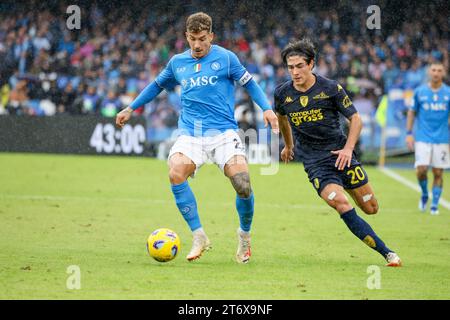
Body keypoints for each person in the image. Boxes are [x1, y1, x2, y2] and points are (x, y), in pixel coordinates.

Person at [116, 12, 279, 263]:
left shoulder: (226, 58)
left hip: (224, 132)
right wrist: (130, 107)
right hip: (191, 133)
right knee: (175, 173)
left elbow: (250, 84)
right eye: (193, 39)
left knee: (243, 183)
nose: (197, 44)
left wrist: (266, 108)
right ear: (186, 37)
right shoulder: (177, 63)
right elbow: (156, 86)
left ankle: (244, 236)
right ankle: (199, 235)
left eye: (202, 38)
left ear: (211, 36)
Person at [274, 39, 401, 267]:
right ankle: (388, 254)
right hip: (315, 163)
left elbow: (356, 119)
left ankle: (349, 188)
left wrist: (348, 149)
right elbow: (282, 118)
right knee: (340, 203)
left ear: (311, 63)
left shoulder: (330, 88)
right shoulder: (283, 94)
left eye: (300, 65)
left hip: (342, 155)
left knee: (371, 209)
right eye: (290, 67)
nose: (295, 72)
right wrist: (289, 145)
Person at [406, 61, 450, 215]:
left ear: (443, 73)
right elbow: (411, 112)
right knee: (421, 169)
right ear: (429, 73)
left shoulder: (448, 93)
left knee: (438, 172)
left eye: (439, 70)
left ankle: (435, 205)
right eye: (434, 70)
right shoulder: (420, 92)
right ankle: (425, 193)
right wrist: (409, 133)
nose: (436, 73)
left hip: (442, 139)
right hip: (423, 137)